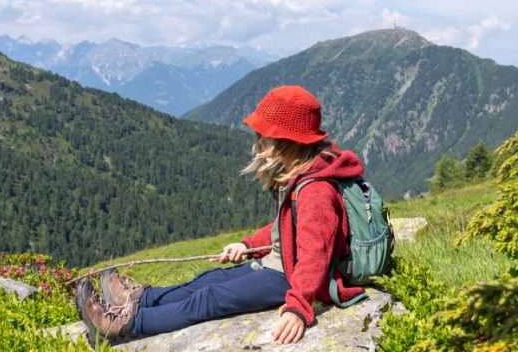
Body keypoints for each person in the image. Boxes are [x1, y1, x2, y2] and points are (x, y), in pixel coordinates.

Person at [75, 85, 366, 346]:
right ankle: (140, 300)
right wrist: (248, 244)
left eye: (263, 137)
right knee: (207, 281)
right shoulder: (302, 175)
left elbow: (316, 253)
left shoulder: (315, 190)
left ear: (287, 141)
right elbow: (287, 228)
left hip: (289, 278)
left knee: (209, 299)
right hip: (278, 266)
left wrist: (299, 307)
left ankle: (124, 326)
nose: (258, 142)